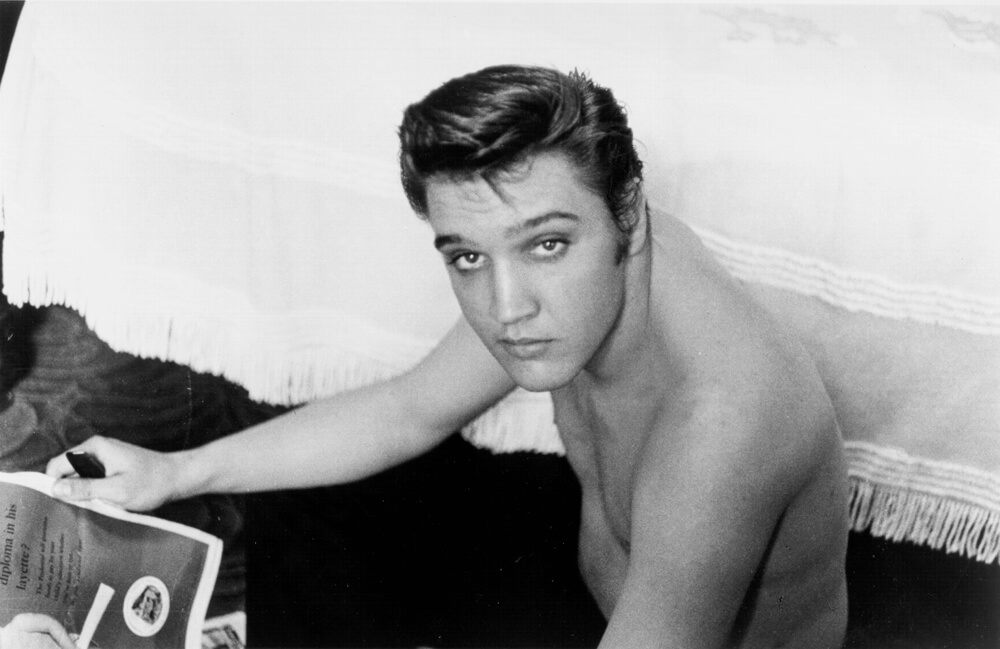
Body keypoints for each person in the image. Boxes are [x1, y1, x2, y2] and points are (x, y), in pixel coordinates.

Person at [46, 65, 849, 648]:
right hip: (598, 588)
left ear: (629, 213)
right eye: (467, 256)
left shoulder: (723, 421)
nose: (507, 307)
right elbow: (409, 409)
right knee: (311, 507)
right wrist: (173, 471)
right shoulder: (585, 262)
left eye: (546, 245)